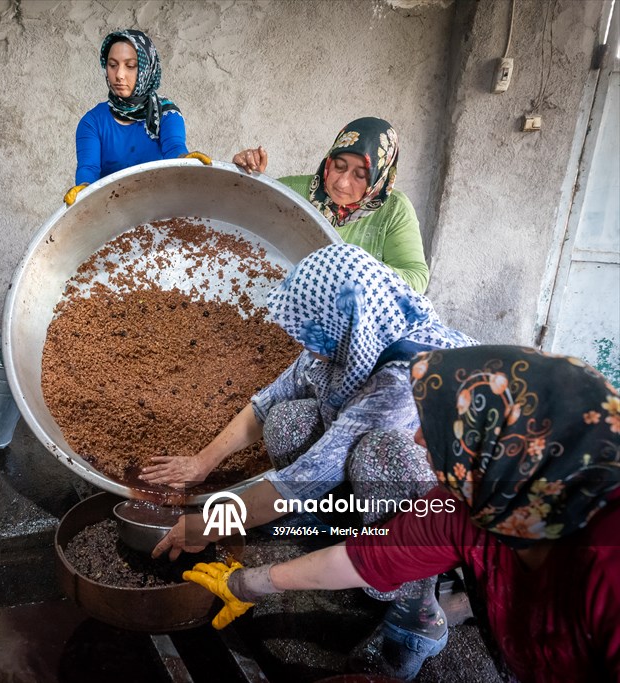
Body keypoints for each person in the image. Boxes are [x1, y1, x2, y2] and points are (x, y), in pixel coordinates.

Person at [182, 346, 620, 682]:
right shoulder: (473, 508)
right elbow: (364, 558)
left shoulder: (607, 565)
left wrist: (210, 523)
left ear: (504, 451)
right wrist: (246, 584)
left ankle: (429, 618)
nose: (418, 437)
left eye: (440, 430)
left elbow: (301, 486)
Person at [144, 243, 476, 678]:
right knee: (288, 419)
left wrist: (209, 524)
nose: (300, 340)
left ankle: (417, 617)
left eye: (311, 330)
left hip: (442, 505)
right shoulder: (351, 338)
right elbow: (267, 405)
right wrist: (202, 463)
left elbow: (304, 478)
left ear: (345, 324)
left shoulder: (402, 377)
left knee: (382, 457)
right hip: (365, 472)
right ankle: (333, 534)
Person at [233, 117, 429, 293]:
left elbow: (416, 278)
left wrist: (355, 267)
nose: (342, 182)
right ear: (329, 160)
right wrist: (248, 181)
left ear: (379, 178)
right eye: (339, 166)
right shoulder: (292, 191)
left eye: (360, 175)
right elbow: (238, 225)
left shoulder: (394, 209)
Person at [64, 29, 208, 206]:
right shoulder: (92, 122)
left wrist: (185, 160)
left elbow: (175, 148)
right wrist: (84, 187)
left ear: (147, 68)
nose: (119, 75)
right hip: (112, 212)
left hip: (163, 210)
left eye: (130, 66)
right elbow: (89, 169)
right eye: (112, 65)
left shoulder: (166, 113)